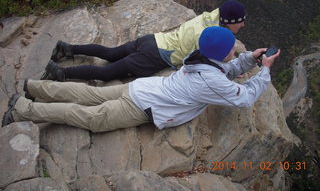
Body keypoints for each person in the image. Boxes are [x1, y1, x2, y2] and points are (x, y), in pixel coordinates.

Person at [2, 26, 280, 132]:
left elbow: (222, 70)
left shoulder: (198, 57)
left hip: (143, 87)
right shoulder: (211, 79)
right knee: (89, 117)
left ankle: (34, 87)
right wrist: (264, 69)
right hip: (142, 105)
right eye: (233, 48)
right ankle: (24, 110)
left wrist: (248, 59)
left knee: (88, 95)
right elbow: (244, 97)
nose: (236, 50)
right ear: (221, 53)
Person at [41, 0, 246, 82]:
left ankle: (66, 49)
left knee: (110, 53)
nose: (243, 26)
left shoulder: (209, 17)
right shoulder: (209, 37)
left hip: (152, 40)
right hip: (155, 56)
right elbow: (203, 64)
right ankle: (59, 73)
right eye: (241, 22)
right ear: (229, 21)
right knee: (106, 73)